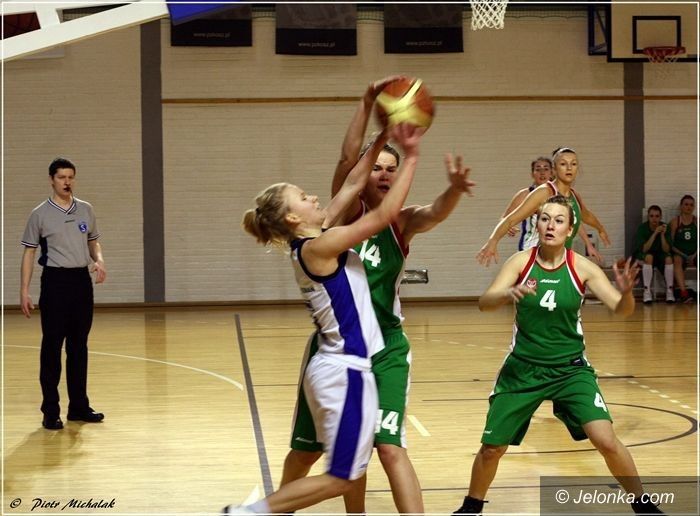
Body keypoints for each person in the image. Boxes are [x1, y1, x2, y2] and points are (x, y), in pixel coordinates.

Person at [279, 79, 475, 514]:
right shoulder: (337, 217)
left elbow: (432, 213)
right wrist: (373, 113)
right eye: (378, 167)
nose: (384, 173)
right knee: (308, 452)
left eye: (392, 168)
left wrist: (454, 191)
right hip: (335, 348)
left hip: (384, 346)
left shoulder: (399, 222)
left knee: (387, 447)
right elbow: (348, 162)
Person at [223, 122, 424, 515]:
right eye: (302, 197)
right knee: (341, 477)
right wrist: (413, 156)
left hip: (342, 367)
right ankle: (251, 512)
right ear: (291, 218)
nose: (313, 196)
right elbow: (384, 214)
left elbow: (353, 181)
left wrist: (381, 135)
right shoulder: (321, 244)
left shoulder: (318, 234)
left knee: (349, 472)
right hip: (342, 370)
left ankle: (256, 512)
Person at [453, 195, 662, 516]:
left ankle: (643, 505)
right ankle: (471, 508)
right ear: (537, 224)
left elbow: (621, 310)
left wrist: (626, 294)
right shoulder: (521, 262)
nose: (551, 225)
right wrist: (509, 292)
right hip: (523, 369)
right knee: (492, 448)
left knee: (606, 440)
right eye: (545, 218)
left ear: (570, 229)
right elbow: (485, 303)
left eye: (559, 220)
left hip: (570, 370)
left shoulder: (582, 267)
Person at [20, 157, 107, 430]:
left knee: (79, 346)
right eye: (61, 177)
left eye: (70, 177)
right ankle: (50, 410)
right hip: (55, 283)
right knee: (52, 347)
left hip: (81, 282)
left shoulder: (86, 209)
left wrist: (99, 260)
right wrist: (24, 290)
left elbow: (93, 241)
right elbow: (29, 252)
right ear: (51, 180)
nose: (67, 182)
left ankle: (78, 407)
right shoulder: (39, 214)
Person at [478, 147, 609, 266]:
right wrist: (493, 241)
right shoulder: (542, 192)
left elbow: (585, 215)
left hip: (561, 260)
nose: (569, 168)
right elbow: (509, 219)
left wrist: (600, 228)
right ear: (554, 170)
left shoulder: (574, 196)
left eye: (573, 164)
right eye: (563, 164)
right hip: (536, 257)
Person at [501, 157, 553, 251]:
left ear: (551, 173)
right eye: (538, 169)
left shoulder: (559, 195)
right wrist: (509, 227)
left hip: (553, 248)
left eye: (546, 169)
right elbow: (504, 218)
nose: (542, 172)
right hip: (529, 248)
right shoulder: (524, 194)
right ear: (532, 174)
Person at [633, 205, 675, 304]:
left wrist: (662, 235)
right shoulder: (642, 228)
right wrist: (655, 233)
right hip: (644, 254)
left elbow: (666, 249)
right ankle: (647, 292)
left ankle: (670, 291)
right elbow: (644, 249)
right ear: (648, 217)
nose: (654, 219)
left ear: (660, 217)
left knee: (669, 259)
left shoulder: (665, 227)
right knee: (649, 257)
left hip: (660, 254)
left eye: (657, 216)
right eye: (651, 216)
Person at [669, 194, 697, 303]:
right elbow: (671, 244)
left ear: (694, 207)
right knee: (677, 260)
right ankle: (684, 293)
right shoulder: (675, 222)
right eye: (686, 204)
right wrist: (684, 255)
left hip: (694, 253)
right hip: (679, 253)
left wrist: (694, 255)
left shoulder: (696, 221)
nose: (688, 207)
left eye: (691, 205)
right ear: (681, 206)